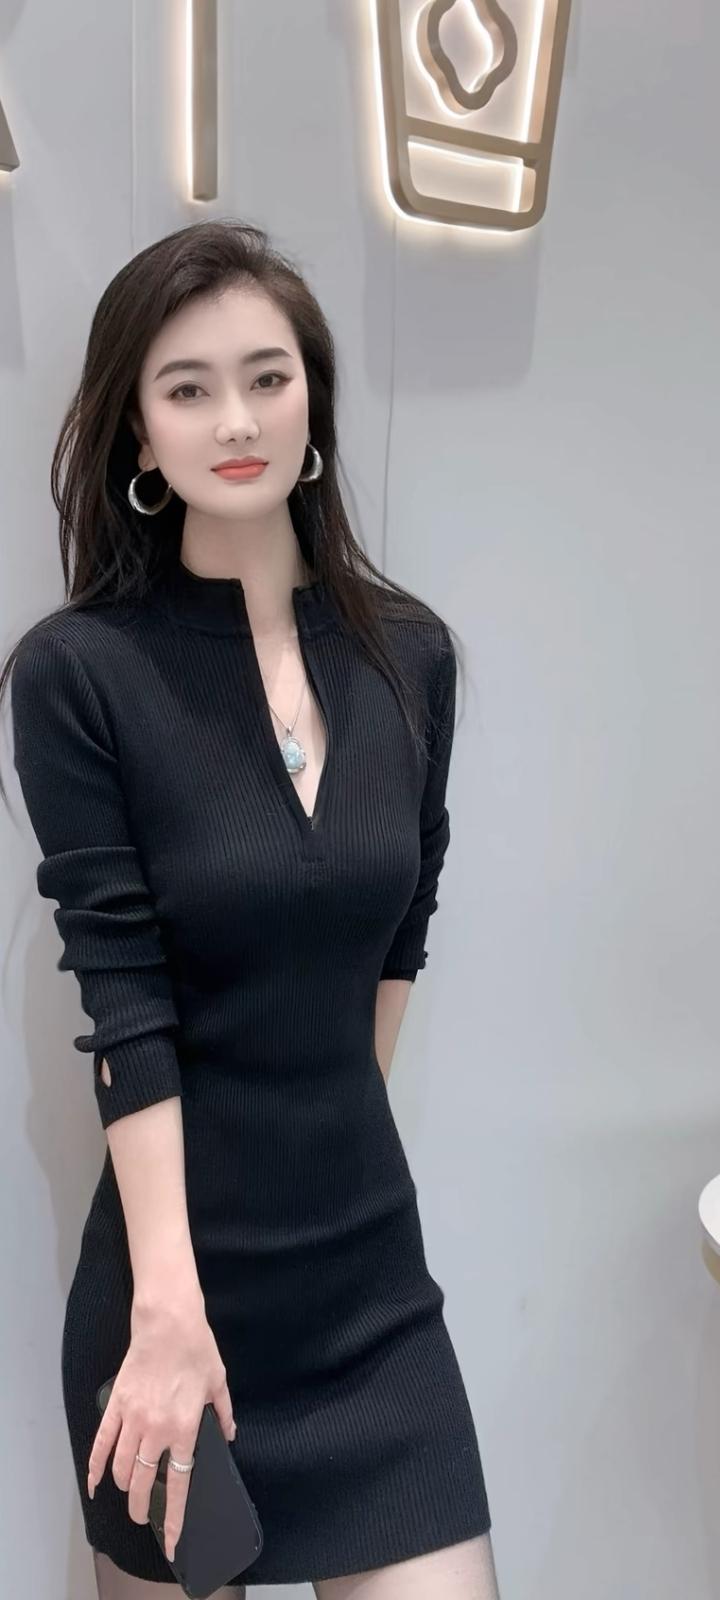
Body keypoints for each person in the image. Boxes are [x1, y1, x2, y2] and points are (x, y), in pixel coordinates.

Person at [3, 219, 500, 1598]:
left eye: (268, 377)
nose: (236, 419)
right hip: (172, 1295)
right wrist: (167, 1306)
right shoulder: (81, 675)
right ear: (137, 429)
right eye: (188, 387)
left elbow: (401, 932)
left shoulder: (410, 656)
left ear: (313, 400)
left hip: (369, 1295)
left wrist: (331, 1142)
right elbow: (124, 1002)